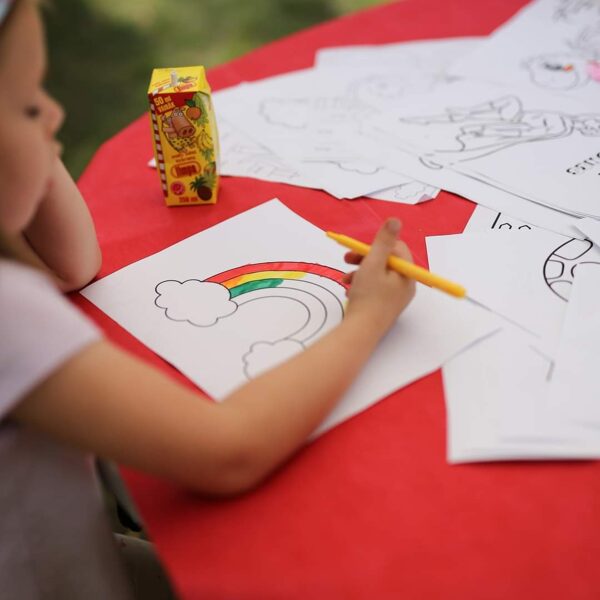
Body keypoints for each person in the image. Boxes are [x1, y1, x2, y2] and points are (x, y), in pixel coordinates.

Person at [0, 0, 416, 598]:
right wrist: (367, 318)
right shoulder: (11, 315)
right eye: (27, 104)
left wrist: (26, 141)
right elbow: (229, 452)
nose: (56, 114)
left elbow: (73, 265)